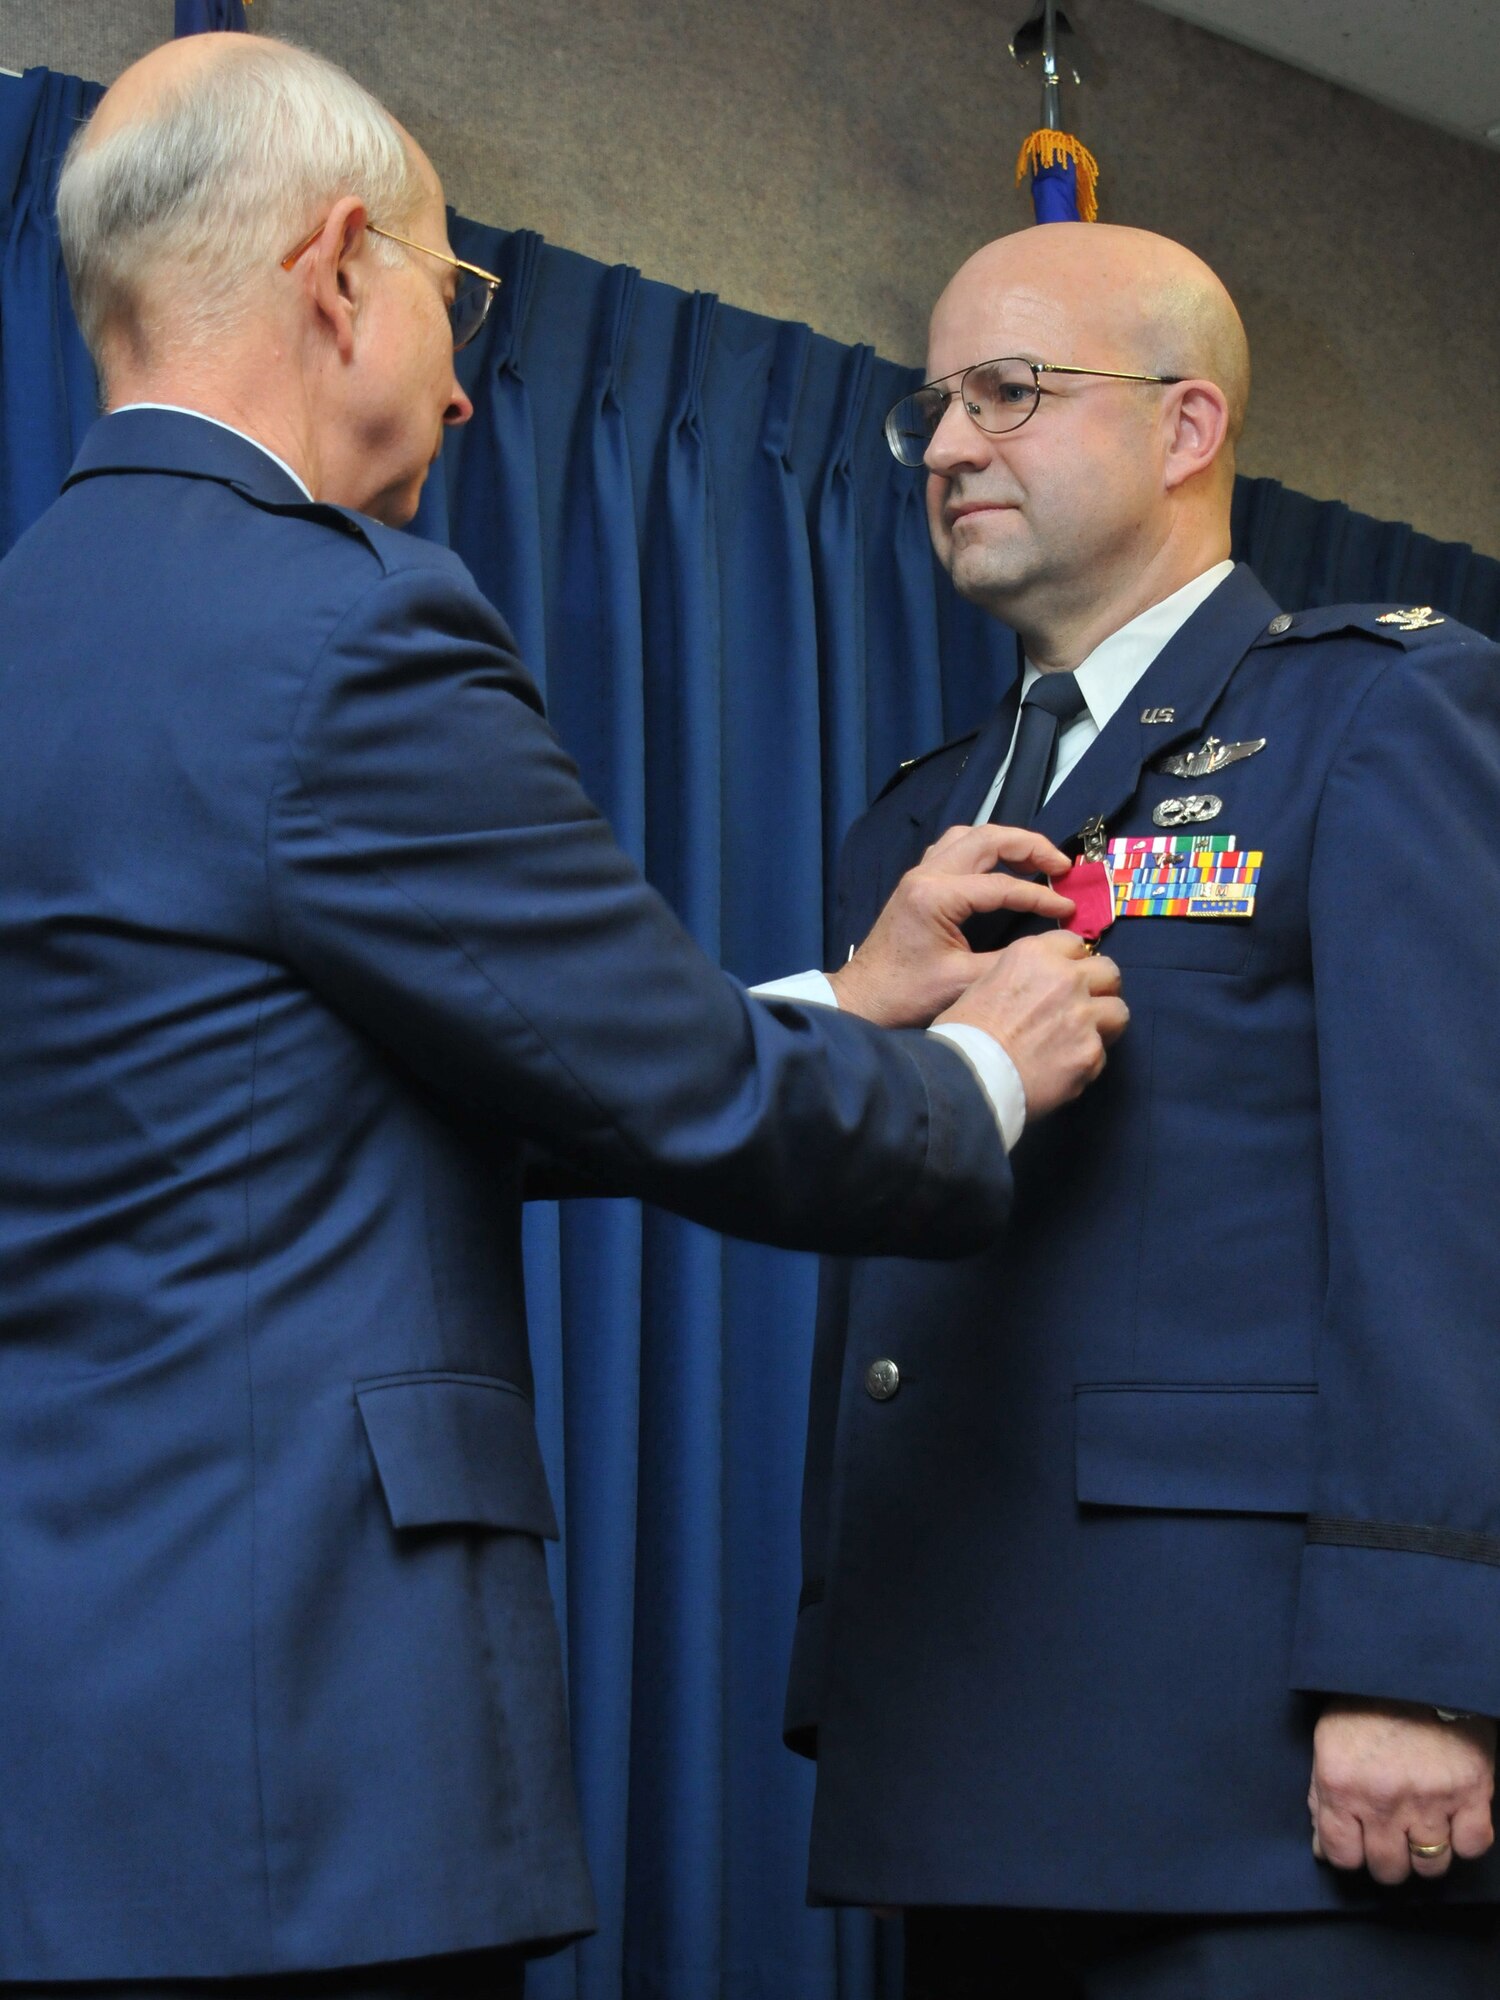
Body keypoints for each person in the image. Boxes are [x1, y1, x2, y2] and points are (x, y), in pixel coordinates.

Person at [0, 36, 1128, 1996]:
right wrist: (967, 1070)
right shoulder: (347, 618)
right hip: (309, 1762)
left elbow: (288, 1110)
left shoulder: (35, 628)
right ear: (342, 266)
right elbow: (671, 1087)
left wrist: (848, 993)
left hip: (80, 1756)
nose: (456, 379)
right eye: (458, 297)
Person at [785, 220, 1500, 1997]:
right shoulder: (922, 819)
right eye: (933, 407)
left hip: (1258, 1767)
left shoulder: (1385, 712)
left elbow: (1456, 1209)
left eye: (1009, 393)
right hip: (963, 1727)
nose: (948, 446)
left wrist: (1422, 1661)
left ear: (1187, 431)